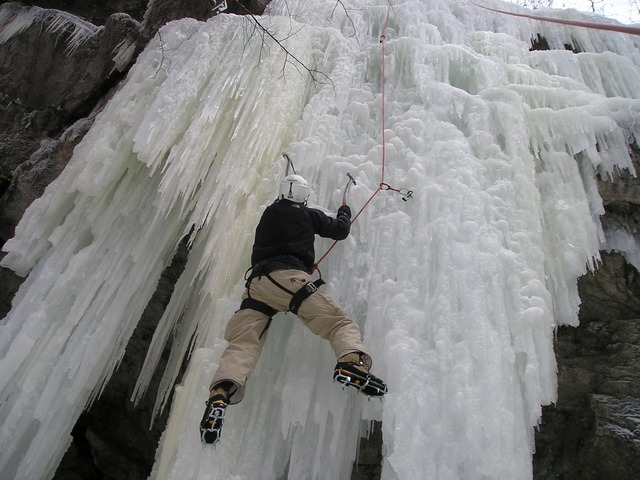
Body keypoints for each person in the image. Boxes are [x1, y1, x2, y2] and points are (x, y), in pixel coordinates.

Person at [199, 174, 387, 445]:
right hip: (289, 280)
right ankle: (350, 363)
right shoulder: (308, 215)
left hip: (256, 286)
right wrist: (344, 212)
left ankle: (221, 392)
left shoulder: (267, 214)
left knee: (243, 342)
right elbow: (340, 231)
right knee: (338, 323)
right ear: (303, 196)